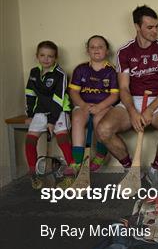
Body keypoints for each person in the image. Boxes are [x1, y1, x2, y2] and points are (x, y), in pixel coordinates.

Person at [96, 5, 158, 188]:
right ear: (137, 26)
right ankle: (131, 170)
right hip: (131, 100)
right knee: (103, 130)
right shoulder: (124, 52)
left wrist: (150, 110)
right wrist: (132, 111)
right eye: (149, 27)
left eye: (156, 26)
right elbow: (124, 88)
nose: (155, 31)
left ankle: (154, 171)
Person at [24, 41, 75, 189]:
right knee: (30, 141)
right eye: (42, 55)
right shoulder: (34, 72)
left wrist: (52, 121)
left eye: (50, 56)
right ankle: (34, 174)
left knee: (63, 139)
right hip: (40, 111)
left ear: (55, 58)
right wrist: (30, 114)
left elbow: (58, 99)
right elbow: (30, 93)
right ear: (37, 56)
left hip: (58, 111)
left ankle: (71, 173)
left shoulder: (60, 74)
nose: (46, 59)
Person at [69, 35, 119, 172]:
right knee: (78, 118)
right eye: (92, 47)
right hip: (84, 105)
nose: (96, 49)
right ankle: (78, 160)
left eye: (100, 47)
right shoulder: (81, 69)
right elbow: (73, 92)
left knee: (99, 120)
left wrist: (99, 107)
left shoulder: (112, 70)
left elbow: (114, 95)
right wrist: (83, 105)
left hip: (104, 106)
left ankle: (100, 154)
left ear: (107, 51)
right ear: (87, 50)